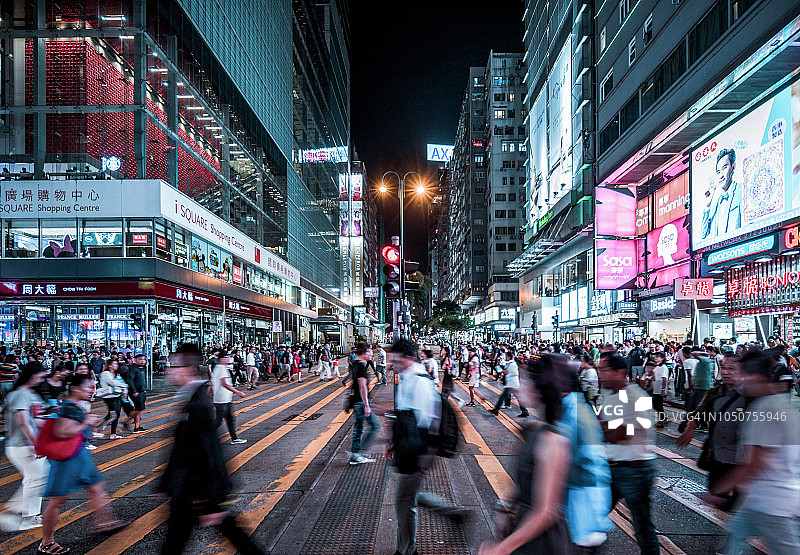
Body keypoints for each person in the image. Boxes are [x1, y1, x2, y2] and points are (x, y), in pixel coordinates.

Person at [159, 344, 263, 555]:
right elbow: (182, 448)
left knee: (218, 529)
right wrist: (166, 483)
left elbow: (208, 450)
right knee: (179, 537)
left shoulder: (198, 403)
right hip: (189, 486)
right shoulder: (190, 397)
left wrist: (211, 496)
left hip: (197, 488)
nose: (169, 371)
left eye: (174, 366)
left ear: (188, 369)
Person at [707, 350, 800, 555]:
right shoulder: (780, 403)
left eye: (741, 374)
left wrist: (722, 488)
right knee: (732, 540)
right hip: (757, 499)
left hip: (772, 503)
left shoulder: (767, 409)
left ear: (754, 376)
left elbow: (756, 463)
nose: (739, 381)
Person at [479, 355, 572, 554]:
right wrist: (505, 508)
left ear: (540, 389)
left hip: (541, 543)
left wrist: (501, 549)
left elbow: (546, 512)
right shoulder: (535, 430)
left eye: (526, 381)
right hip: (523, 530)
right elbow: (524, 482)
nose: (520, 387)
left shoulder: (554, 441)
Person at [387, 339, 469, 555]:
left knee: (404, 500)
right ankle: (452, 513)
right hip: (410, 446)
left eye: (398, 361)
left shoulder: (420, 382)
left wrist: (415, 453)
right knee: (410, 496)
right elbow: (404, 414)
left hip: (419, 449)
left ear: (409, 358)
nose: (395, 365)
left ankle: (407, 550)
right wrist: (393, 442)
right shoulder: (406, 378)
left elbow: (425, 422)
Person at [39, 374, 127, 555]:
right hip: (68, 459)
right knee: (58, 500)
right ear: (75, 389)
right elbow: (62, 432)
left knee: (96, 487)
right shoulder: (68, 408)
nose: (91, 390)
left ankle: (104, 522)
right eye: (88, 387)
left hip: (79, 456)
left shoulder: (73, 406)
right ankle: (46, 543)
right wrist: (85, 423)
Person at [597, 353, 659, 555]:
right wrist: (604, 426)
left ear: (620, 372)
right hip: (613, 466)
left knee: (643, 527)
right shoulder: (609, 394)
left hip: (636, 471)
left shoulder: (637, 397)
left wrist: (599, 426)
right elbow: (605, 426)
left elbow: (619, 435)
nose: (600, 374)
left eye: (604, 370)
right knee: (592, 517)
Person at [676, 354, 745, 511]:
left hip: (740, 459)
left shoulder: (751, 396)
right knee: (718, 497)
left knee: (736, 502)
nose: (725, 372)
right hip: (717, 456)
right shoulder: (715, 392)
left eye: (731, 369)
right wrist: (689, 430)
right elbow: (699, 412)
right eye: (723, 368)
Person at [0, 364, 49, 532]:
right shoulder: (20, 394)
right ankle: (21, 513)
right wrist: (36, 444)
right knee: (38, 478)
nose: (41, 380)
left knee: (35, 479)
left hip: (28, 444)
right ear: (31, 375)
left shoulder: (31, 394)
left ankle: (30, 515)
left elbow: (37, 419)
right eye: (40, 376)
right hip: (21, 445)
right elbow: (23, 422)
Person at [701, 148, 741, 240]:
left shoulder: (741, 190)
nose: (721, 176)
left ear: (733, 167)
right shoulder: (716, 204)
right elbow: (703, 234)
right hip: (718, 248)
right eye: (718, 172)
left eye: (724, 168)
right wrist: (707, 205)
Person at [349, 342, 378, 465]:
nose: (371, 354)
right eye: (370, 352)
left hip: (357, 401)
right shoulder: (361, 366)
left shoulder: (355, 363)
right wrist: (366, 405)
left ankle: (356, 454)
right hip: (361, 402)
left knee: (359, 428)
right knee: (374, 426)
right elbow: (362, 387)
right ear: (364, 352)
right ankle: (357, 453)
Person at [212, 351, 247, 445]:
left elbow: (212, 384)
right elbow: (224, 383)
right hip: (222, 400)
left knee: (230, 419)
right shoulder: (221, 368)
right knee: (218, 422)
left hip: (224, 399)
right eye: (226, 357)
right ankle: (203, 436)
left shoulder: (220, 368)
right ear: (221, 359)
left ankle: (234, 438)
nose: (228, 359)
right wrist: (237, 392)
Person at [97, 360, 131, 440]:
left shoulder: (117, 374)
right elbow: (112, 383)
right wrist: (125, 385)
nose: (116, 365)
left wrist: (124, 390)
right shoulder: (105, 374)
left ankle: (112, 433)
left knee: (115, 415)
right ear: (109, 365)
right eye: (114, 364)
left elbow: (121, 383)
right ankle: (100, 429)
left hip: (117, 396)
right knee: (114, 415)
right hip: (109, 397)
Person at [490, 351, 529, 418]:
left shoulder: (512, 364)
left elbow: (513, 373)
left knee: (502, 397)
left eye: (506, 356)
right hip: (512, 384)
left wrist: (504, 371)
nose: (506, 357)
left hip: (512, 384)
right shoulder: (510, 363)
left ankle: (496, 410)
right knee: (519, 398)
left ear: (509, 357)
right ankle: (525, 411)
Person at [126, 353, 147, 433]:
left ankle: (137, 426)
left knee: (139, 410)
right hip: (136, 392)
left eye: (144, 359)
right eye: (140, 359)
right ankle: (127, 422)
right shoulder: (133, 368)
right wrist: (134, 391)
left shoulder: (141, 368)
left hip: (141, 391)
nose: (142, 361)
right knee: (138, 410)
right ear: (135, 360)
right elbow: (130, 380)